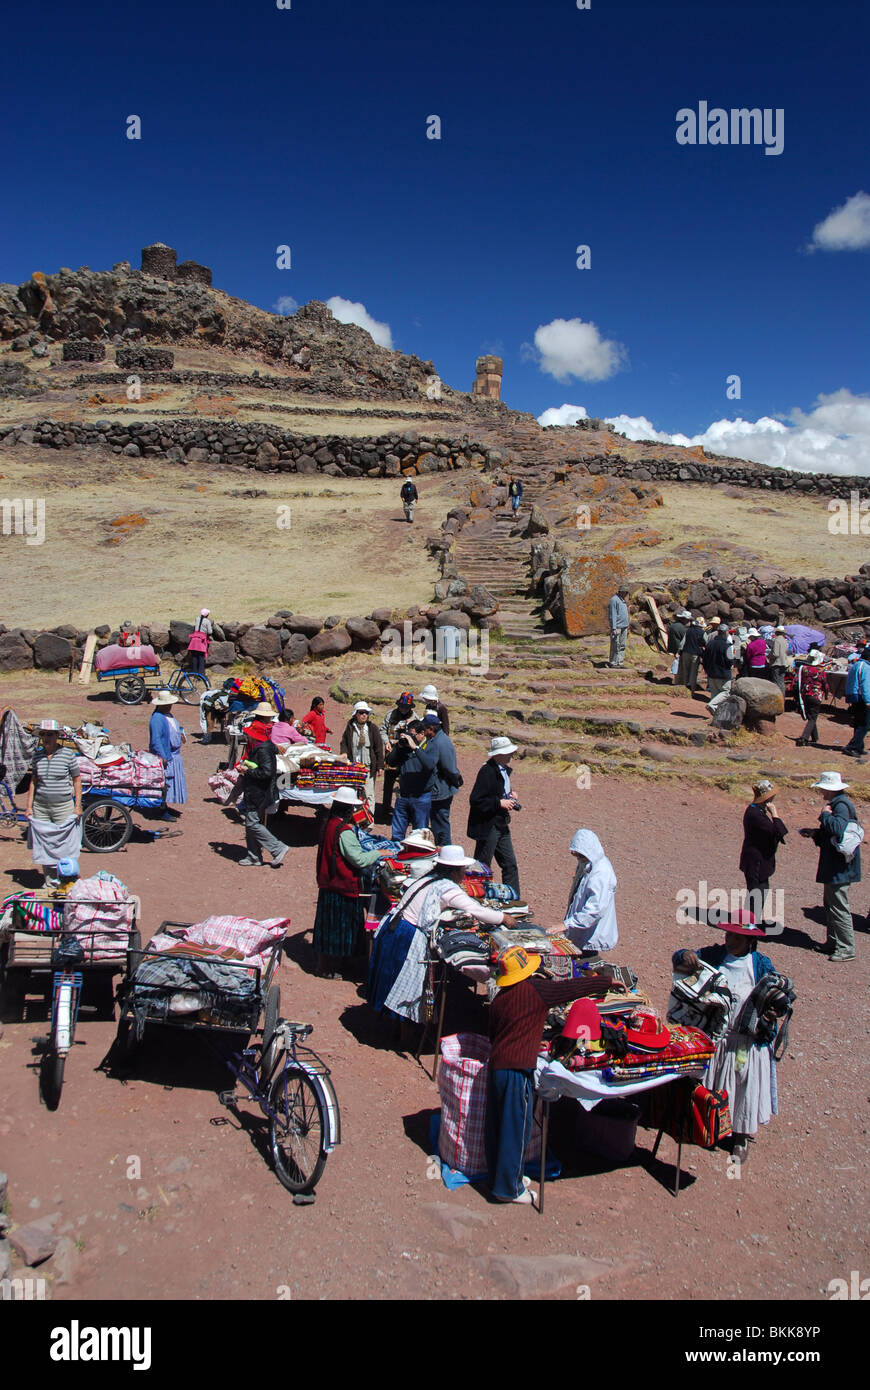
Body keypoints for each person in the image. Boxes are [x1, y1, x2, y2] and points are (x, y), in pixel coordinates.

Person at [486, 945, 617, 1204]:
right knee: (517, 1129)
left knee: (499, 1127)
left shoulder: (500, 999)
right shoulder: (536, 990)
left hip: (497, 1066)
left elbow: (493, 1032)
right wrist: (605, 982)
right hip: (516, 1070)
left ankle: (504, 1177)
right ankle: (508, 1190)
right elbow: (570, 989)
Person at [673, 917, 781, 1162]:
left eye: (736, 937)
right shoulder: (713, 956)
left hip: (744, 1041)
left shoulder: (761, 966)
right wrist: (685, 956)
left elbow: (777, 997)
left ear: (749, 940)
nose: (730, 941)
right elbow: (680, 959)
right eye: (728, 936)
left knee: (743, 1084)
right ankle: (708, 1124)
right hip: (717, 1036)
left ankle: (741, 1137)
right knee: (712, 1081)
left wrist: (772, 1010)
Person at [368, 843, 508, 1029]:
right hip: (406, 934)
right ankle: (404, 1033)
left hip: (393, 927)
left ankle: (389, 1024)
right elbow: (475, 910)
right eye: (463, 870)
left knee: (391, 976)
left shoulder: (427, 879)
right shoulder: (447, 888)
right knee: (406, 985)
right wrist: (504, 917)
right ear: (454, 870)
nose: (464, 873)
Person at [314, 787, 389, 977]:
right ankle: (330, 968)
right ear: (348, 810)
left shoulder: (329, 824)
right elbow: (359, 859)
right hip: (342, 884)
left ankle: (330, 964)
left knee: (327, 926)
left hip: (328, 882)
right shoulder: (344, 831)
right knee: (340, 928)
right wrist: (378, 853)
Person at [799, 770, 859, 962]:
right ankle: (833, 942)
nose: (822, 792)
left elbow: (837, 828)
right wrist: (816, 833)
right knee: (831, 905)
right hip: (837, 867)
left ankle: (846, 947)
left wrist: (825, 816)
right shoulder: (839, 803)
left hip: (838, 869)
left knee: (839, 906)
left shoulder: (840, 805)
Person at [25, 719, 82, 886]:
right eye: (43, 734)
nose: (46, 738)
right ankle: (50, 882)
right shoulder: (37, 756)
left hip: (63, 807)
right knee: (45, 845)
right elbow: (34, 781)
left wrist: (78, 805)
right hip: (41, 807)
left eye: (50, 734)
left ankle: (67, 880)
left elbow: (77, 780)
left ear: (57, 736)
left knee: (65, 845)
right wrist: (29, 807)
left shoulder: (67, 755)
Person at [467, 735, 521, 896]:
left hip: (500, 823)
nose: (511, 755)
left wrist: (509, 795)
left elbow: (496, 791)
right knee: (482, 866)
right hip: (488, 826)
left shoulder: (501, 770)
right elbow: (476, 800)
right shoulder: (487, 771)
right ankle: (477, 897)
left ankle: (514, 900)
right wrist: (499, 803)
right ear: (498, 754)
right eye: (507, 752)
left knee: (510, 865)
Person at [553, 828, 618, 955]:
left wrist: (567, 924)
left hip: (591, 936)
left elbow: (595, 910)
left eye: (579, 855)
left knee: (584, 967)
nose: (577, 857)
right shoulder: (587, 864)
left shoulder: (601, 873)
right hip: (580, 931)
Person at [237, 705, 288, 867]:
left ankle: (277, 847)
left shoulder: (262, 749)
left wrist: (247, 771)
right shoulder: (266, 743)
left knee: (252, 823)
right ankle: (254, 856)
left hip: (258, 791)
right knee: (250, 822)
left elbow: (266, 772)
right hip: (256, 790)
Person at [739, 780, 787, 927]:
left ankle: (750, 924)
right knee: (756, 894)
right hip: (756, 863)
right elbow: (779, 831)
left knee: (758, 893)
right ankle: (748, 928)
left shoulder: (756, 811)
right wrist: (775, 814)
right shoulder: (756, 814)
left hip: (756, 861)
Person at [391, 720, 438, 840]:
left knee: (419, 835)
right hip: (403, 796)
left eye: (412, 735)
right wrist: (399, 747)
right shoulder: (405, 748)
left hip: (421, 797)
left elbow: (430, 765)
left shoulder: (431, 747)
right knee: (397, 835)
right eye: (409, 734)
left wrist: (416, 748)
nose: (410, 738)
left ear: (422, 734)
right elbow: (390, 762)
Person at [420, 712, 460, 846]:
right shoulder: (436, 739)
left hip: (441, 791)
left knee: (440, 824)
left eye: (424, 729)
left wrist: (455, 781)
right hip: (438, 789)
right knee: (437, 822)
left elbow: (450, 768)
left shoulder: (441, 743)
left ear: (431, 728)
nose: (423, 732)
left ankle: (445, 852)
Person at [148, 689, 187, 819]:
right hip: (166, 756)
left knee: (168, 783)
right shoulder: (157, 719)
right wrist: (163, 756)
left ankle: (163, 807)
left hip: (174, 755)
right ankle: (161, 809)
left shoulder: (168, 716)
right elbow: (156, 740)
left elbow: (175, 728)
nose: (170, 706)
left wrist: (180, 733)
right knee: (164, 783)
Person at [340, 701, 385, 813]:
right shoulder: (350, 727)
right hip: (354, 767)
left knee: (368, 793)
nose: (364, 715)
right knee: (354, 792)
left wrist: (380, 766)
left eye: (366, 713)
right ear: (356, 714)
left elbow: (378, 747)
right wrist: (344, 754)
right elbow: (344, 743)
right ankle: (355, 816)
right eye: (361, 713)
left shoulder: (372, 728)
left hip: (368, 767)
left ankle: (368, 820)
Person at [380, 692, 416, 816]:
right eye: (402, 706)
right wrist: (386, 742)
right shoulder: (390, 715)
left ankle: (404, 810)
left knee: (405, 783)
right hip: (391, 753)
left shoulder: (414, 718)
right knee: (388, 782)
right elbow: (383, 730)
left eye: (406, 707)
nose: (403, 709)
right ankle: (385, 808)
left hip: (406, 756)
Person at [795, 651, 830, 747]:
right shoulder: (820, 671)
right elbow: (825, 685)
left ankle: (815, 737)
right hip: (815, 695)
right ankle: (804, 737)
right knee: (813, 718)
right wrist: (826, 694)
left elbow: (798, 681)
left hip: (805, 695)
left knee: (811, 716)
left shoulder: (804, 669)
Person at [842, 650, 870, 757]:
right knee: (864, 724)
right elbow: (865, 686)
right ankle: (852, 747)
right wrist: (868, 700)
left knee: (858, 723)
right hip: (861, 697)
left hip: (855, 696)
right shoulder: (866, 667)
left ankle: (859, 746)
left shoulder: (856, 665)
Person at [702, 621, 734, 700]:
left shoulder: (710, 644)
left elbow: (705, 658)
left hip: (711, 673)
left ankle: (715, 710)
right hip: (723, 674)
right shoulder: (727, 645)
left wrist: (706, 669)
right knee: (726, 692)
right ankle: (712, 705)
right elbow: (730, 661)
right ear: (725, 633)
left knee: (714, 693)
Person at [677, 616, 706, 693]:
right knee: (693, 672)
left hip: (686, 652)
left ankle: (684, 688)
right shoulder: (703, 633)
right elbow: (707, 643)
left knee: (685, 671)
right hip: (695, 654)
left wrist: (679, 651)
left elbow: (682, 643)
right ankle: (691, 690)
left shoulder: (689, 630)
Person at [607, 587, 630, 668]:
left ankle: (620, 662)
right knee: (615, 645)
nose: (625, 594)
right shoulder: (614, 600)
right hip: (617, 627)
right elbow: (613, 614)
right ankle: (613, 662)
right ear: (620, 592)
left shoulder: (623, 600)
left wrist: (627, 625)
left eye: (626, 592)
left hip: (624, 626)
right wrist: (613, 628)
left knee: (622, 645)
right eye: (624, 592)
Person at [186, 609, 213, 676]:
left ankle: (194, 673)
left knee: (194, 657)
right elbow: (210, 632)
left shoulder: (197, 619)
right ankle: (201, 674)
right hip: (201, 641)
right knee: (201, 658)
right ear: (207, 615)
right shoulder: (207, 621)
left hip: (194, 640)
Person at [667, 609, 690, 683]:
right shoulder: (681, 628)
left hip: (673, 647)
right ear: (684, 619)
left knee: (678, 665)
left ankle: (678, 680)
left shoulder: (673, 625)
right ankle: (680, 681)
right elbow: (685, 639)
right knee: (681, 667)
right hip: (680, 649)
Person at [768, 625, 790, 694]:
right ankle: (782, 697)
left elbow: (775, 654)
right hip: (784, 663)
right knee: (781, 682)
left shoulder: (777, 640)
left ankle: (779, 698)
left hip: (777, 664)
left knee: (777, 682)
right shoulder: (785, 641)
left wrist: (769, 656)